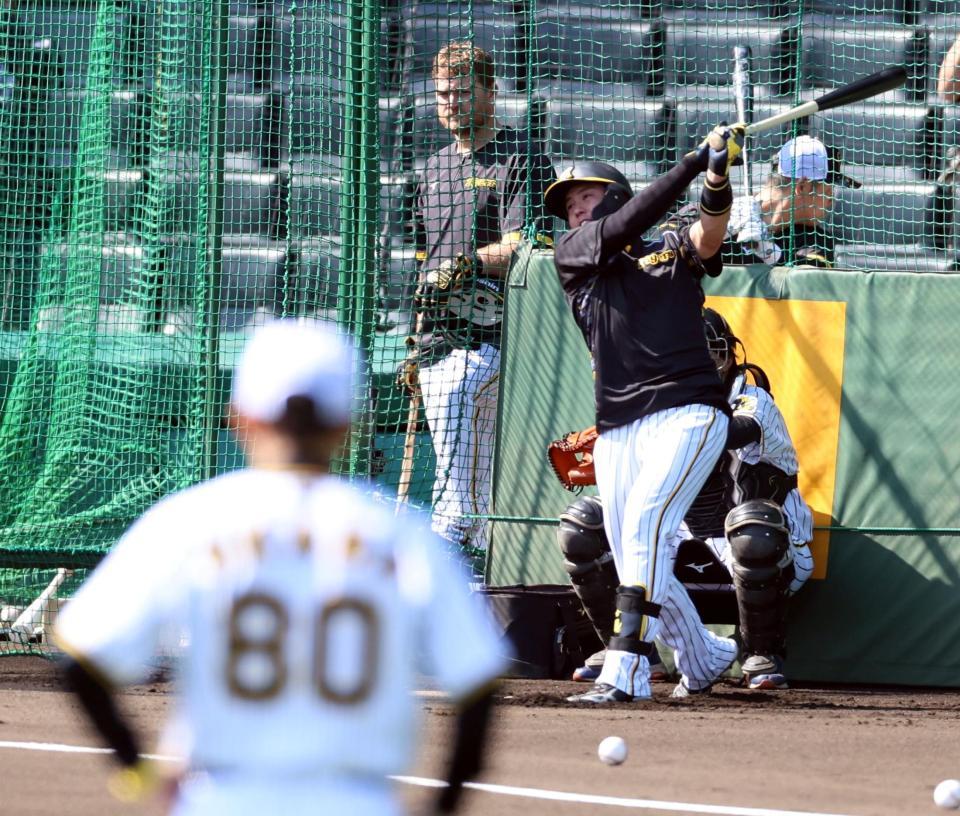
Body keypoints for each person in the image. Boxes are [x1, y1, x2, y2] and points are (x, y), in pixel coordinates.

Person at [55, 319, 506, 815]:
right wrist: (445, 803)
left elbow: (81, 661)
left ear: (240, 417)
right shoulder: (401, 534)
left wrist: (137, 771)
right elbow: (479, 681)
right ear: (346, 426)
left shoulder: (191, 520)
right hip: (359, 800)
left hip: (224, 798)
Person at [543, 122, 745, 704]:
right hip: (617, 428)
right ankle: (703, 654)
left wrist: (714, 173)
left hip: (687, 410)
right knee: (635, 549)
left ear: (617, 193)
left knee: (647, 527)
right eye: (569, 205)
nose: (576, 211)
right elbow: (621, 228)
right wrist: (688, 163)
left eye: (586, 197)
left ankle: (627, 666)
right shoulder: (574, 254)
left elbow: (709, 236)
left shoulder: (669, 240)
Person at [560, 308, 815, 692]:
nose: (700, 368)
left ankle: (760, 655)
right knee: (584, 524)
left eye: (709, 356)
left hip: (765, 553)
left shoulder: (752, 398)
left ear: (729, 354)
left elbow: (731, 432)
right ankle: (629, 652)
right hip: (680, 542)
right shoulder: (655, 402)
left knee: (753, 525)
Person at [401, 41, 554, 574]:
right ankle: (488, 559)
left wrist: (463, 264)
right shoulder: (433, 167)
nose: (449, 103)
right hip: (440, 337)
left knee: (458, 399)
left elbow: (524, 244)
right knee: (476, 457)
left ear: (490, 91)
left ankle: (449, 532)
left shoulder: (522, 156)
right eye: (442, 93)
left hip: (499, 333)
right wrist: (413, 344)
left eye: (462, 92)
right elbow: (423, 265)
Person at [689, 135, 860, 268]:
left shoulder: (816, 241)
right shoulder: (701, 215)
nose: (831, 201)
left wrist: (764, 249)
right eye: (829, 192)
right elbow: (669, 254)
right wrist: (711, 232)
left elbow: (809, 286)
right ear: (802, 187)